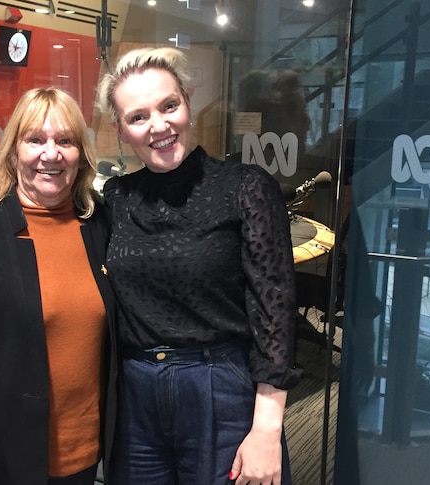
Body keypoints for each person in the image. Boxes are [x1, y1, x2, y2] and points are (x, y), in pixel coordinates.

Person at [95, 47, 302, 485]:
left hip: (221, 388)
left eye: (169, 106)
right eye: (138, 116)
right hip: (134, 397)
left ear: (188, 101)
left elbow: (275, 313)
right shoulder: (115, 198)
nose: (159, 125)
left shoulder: (245, 187)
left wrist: (267, 428)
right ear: (120, 129)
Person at [0, 87, 117, 484]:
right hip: (2, 461)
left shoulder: (101, 226)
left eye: (65, 140)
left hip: (85, 456)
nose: (51, 154)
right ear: (13, 152)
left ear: (81, 156)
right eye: (35, 139)